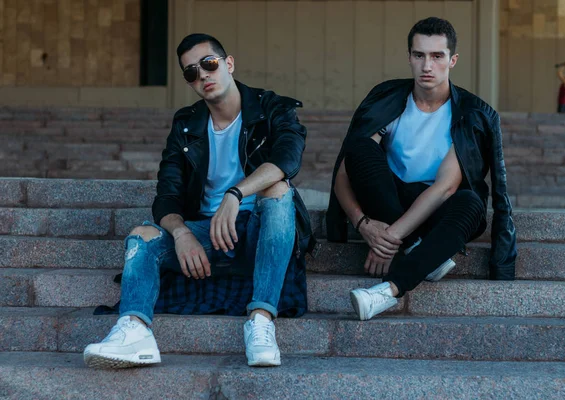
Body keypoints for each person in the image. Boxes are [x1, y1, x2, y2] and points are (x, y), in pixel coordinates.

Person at [84, 33, 315, 368]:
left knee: (278, 190)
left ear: (228, 64)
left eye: (209, 64)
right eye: (192, 72)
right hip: (208, 234)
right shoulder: (186, 125)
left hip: (258, 232)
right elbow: (167, 196)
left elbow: (287, 160)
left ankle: (261, 321)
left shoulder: (272, 108)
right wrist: (182, 234)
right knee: (142, 235)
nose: (203, 75)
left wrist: (235, 194)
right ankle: (134, 331)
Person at [326, 17, 517, 321]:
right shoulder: (388, 101)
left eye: (437, 56)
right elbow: (346, 173)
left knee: (471, 203)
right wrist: (364, 225)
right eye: (419, 55)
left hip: (436, 211)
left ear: (452, 60)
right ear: (410, 58)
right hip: (392, 202)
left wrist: (389, 240)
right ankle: (421, 251)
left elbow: (446, 187)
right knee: (360, 147)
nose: (427, 66)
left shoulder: (470, 114)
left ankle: (388, 290)